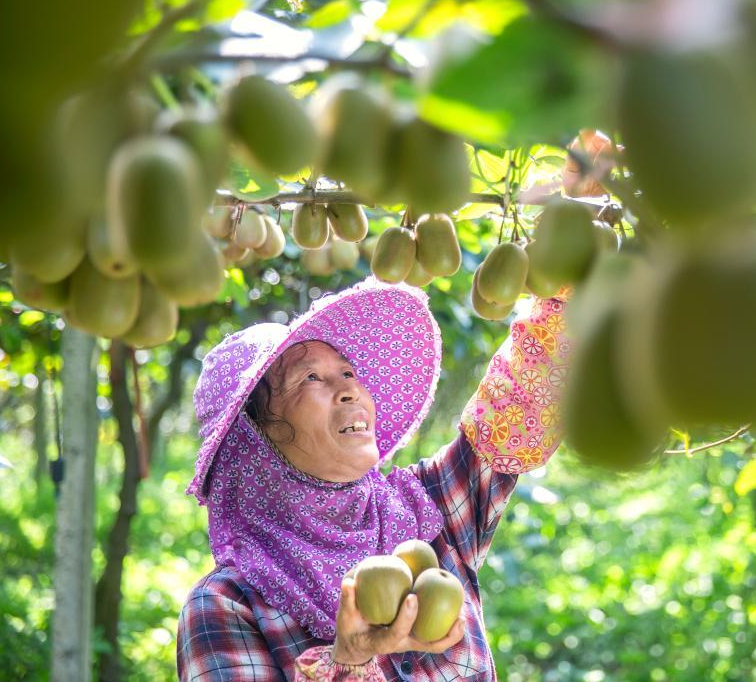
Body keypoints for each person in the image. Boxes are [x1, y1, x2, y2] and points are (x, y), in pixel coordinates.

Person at [176, 277, 572, 680]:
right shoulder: (224, 606)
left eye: (347, 371)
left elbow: (518, 400)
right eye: (309, 378)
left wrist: (572, 281)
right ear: (254, 439)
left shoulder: (426, 509)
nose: (349, 388)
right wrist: (348, 661)